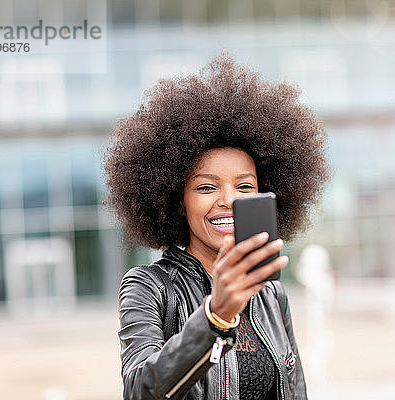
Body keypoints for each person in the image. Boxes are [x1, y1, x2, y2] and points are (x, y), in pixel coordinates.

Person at [102, 53, 330, 400]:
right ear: (178, 200)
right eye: (207, 187)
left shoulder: (271, 295)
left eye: (244, 187)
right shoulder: (150, 287)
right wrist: (216, 316)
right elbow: (140, 390)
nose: (228, 201)